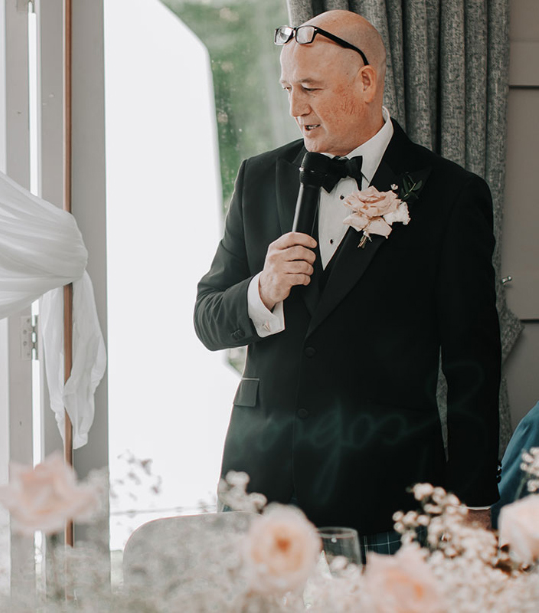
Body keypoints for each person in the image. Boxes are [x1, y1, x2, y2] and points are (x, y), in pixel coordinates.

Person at [194, 10, 500, 554]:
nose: (295, 109)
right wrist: (261, 290)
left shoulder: (451, 196)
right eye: (288, 88)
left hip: (387, 497)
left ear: (366, 81)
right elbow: (207, 320)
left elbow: (472, 365)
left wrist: (473, 503)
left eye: (310, 88)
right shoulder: (258, 177)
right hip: (260, 495)